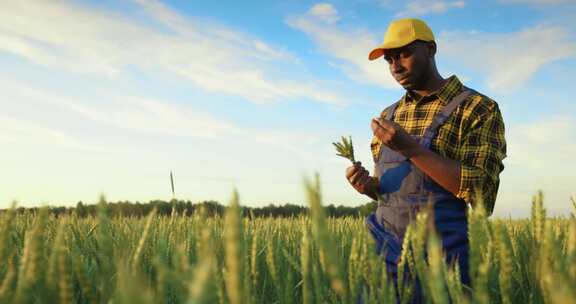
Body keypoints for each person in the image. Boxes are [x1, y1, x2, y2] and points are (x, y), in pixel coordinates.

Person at [345, 18, 507, 297]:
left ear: (431, 49)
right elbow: (392, 194)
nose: (395, 66)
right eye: (389, 59)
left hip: (442, 261)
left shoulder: (477, 108)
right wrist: (369, 187)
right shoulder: (388, 116)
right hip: (383, 255)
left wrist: (412, 149)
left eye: (404, 54)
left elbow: (481, 191)